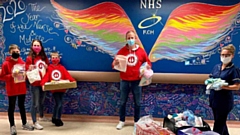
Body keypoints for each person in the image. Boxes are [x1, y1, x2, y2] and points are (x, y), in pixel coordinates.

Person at [112, 30, 152, 130]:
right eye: (129, 38)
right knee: (122, 102)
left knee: (137, 103)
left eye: (132, 38)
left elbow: (148, 63)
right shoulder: (122, 51)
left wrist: (146, 68)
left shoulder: (141, 51)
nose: (130, 40)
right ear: (126, 39)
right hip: (124, 80)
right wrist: (115, 62)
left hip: (137, 81)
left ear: (135, 39)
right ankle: (121, 121)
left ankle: (136, 122)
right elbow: (113, 65)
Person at [0, 44, 34, 135]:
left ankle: (24, 123)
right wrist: (11, 76)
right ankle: (12, 126)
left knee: (22, 106)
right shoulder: (6, 64)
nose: (16, 53)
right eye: (14, 52)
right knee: (11, 107)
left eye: (17, 51)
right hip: (12, 89)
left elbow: (25, 76)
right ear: (10, 52)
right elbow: (2, 77)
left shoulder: (22, 63)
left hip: (21, 88)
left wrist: (29, 72)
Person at [209, 44, 240, 135]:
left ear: (232, 55)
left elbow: (237, 86)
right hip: (214, 99)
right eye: (222, 55)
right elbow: (210, 78)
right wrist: (210, 83)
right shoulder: (216, 67)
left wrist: (223, 87)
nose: (224, 57)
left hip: (224, 101)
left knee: (218, 124)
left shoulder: (234, 70)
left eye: (227, 55)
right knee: (220, 122)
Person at [41, 51, 76, 126]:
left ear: (59, 58)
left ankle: (58, 118)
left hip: (62, 89)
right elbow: (46, 77)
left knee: (60, 104)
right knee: (58, 103)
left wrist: (73, 81)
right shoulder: (49, 68)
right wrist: (43, 84)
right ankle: (54, 117)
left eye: (56, 57)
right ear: (51, 59)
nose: (55, 59)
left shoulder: (62, 68)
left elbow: (67, 76)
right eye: (53, 58)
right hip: (54, 90)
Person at [26, 39, 50, 130]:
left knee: (41, 101)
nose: (36, 47)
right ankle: (34, 122)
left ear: (41, 47)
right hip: (35, 83)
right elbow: (26, 69)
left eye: (38, 45)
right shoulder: (29, 58)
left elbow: (48, 67)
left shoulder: (44, 57)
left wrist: (46, 67)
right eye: (35, 45)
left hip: (43, 82)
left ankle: (41, 116)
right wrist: (29, 67)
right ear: (32, 47)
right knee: (35, 103)